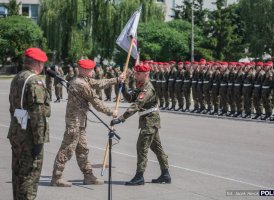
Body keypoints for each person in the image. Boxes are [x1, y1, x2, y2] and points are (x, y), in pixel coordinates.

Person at [51, 59, 125, 187]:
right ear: (84, 70)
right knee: (67, 149)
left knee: (83, 149)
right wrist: (110, 112)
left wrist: (116, 79)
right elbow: (95, 101)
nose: (92, 71)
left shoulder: (84, 80)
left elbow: (98, 83)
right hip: (74, 123)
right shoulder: (80, 84)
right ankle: (56, 177)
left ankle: (88, 176)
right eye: (90, 69)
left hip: (80, 122)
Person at [110, 64, 171, 186]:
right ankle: (165, 174)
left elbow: (136, 104)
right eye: (136, 73)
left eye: (138, 74)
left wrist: (122, 118)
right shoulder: (141, 86)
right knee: (157, 148)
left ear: (146, 74)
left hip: (150, 121)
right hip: (148, 121)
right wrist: (123, 87)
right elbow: (131, 98)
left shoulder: (147, 88)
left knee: (141, 148)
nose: (136, 75)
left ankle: (139, 176)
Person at [8, 47, 50, 200]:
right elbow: (38, 114)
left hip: (17, 131)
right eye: (42, 63)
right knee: (30, 175)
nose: (43, 67)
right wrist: (39, 141)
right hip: (30, 137)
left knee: (18, 172)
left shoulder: (18, 77)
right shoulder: (35, 81)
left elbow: (13, 107)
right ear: (37, 63)